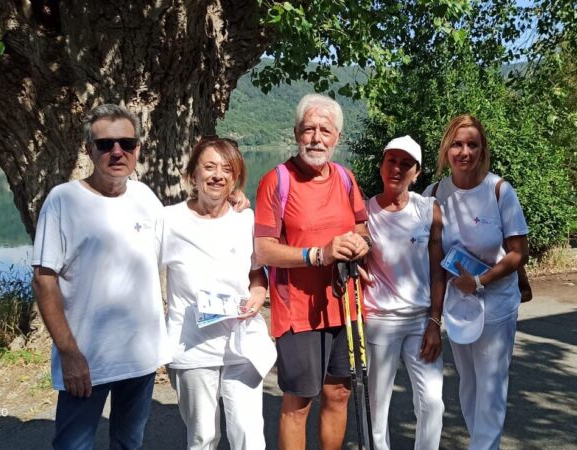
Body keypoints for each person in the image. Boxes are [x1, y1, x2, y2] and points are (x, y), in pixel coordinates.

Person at [32, 104, 171, 449]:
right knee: (73, 446)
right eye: (105, 144)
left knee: (130, 443)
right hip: (87, 361)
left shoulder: (146, 197)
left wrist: (232, 202)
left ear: (138, 148)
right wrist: (68, 353)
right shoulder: (63, 201)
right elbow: (43, 280)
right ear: (88, 149)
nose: (117, 152)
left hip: (140, 357)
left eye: (127, 143)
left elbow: (184, 238)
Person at [254, 93, 370, 450]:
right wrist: (319, 255)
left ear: (337, 138)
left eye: (326, 130)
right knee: (299, 402)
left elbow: (363, 228)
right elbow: (263, 249)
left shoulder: (345, 178)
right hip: (298, 312)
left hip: (346, 306)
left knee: (338, 392)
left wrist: (361, 245)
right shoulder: (277, 180)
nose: (317, 138)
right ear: (296, 133)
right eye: (309, 129)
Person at [156, 137, 276, 450]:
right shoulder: (169, 220)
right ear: (192, 175)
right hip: (192, 343)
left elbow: (255, 272)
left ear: (235, 179)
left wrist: (259, 293)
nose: (217, 175)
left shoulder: (245, 219)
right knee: (203, 437)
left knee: (249, 436)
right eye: (209, 167)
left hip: (241, 341)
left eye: (227, 170)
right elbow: (142, 274)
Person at [424, 115, 529, 449]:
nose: (464, 151)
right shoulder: (434, 193)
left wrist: (481, 280)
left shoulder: (499, 190)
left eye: (472, 144)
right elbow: (423, 252)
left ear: (482, 149)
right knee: (468, 386)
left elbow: (518, 253)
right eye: (457, 144)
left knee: (491, 385)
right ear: (446, 149)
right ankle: (484, 445)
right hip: (459, 307)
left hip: (496, 305)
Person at [363, 136, 446, 450]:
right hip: (380, 322)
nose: (397, 168)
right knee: (376, 407)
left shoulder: (428, 209)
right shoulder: (364, 211)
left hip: (421, 322)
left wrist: (435, 323)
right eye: (391, 161)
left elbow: (439, 269)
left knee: (432, 403)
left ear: (417, 173)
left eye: (406, 163)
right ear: (382, 165)